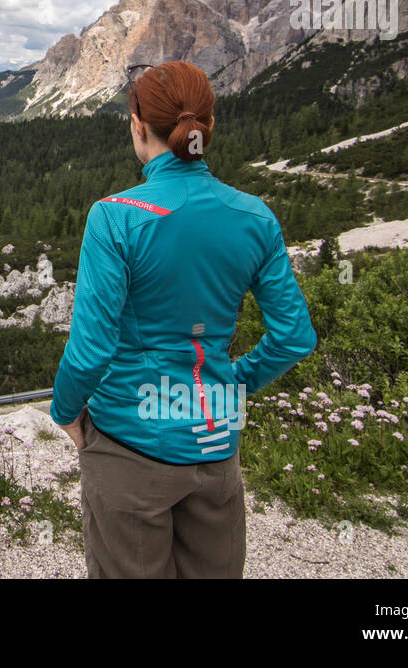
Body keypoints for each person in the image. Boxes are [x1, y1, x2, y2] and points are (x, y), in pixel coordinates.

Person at [50, 60, 317, 578]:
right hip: (217, 447)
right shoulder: (256, 216)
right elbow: (294, 337)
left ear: (137, 125)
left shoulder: (116, 215)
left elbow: (91, 348)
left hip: (130, 444)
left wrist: (65, 413)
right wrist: (234, 382)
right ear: (206, 127)